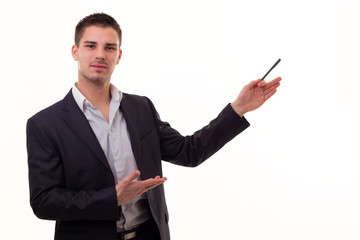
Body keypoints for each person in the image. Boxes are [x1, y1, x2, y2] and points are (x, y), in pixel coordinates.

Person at [26, 13, 281, 240]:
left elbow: (189, 152)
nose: (100, 54)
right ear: (75, 52)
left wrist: (238, 108)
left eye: (109, 47)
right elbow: (44, 202)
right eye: (91, 46)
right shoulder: (45, 124)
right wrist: (112, 199)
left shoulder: (141, 108)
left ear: (119, 55)